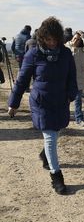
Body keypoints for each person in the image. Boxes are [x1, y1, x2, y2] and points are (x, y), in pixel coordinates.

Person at [8, 16, 78, 195]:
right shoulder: (33, 54)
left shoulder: (66, 53)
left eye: (55, 39)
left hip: (60, 100)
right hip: (42, 101)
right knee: (50, 136)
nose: (52, 43)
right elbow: (22, 80)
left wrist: (71, 94)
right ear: (42, 38)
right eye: (48, 39)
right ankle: (57, 177)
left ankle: (45, 155)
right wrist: (14, 103)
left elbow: (72, 76)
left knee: (57, 131)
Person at [65, 30, 84, 126]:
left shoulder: (82, 51)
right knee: (66, 99)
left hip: (78, 79)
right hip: (67, 79)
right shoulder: (66, 47)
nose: (76, 40)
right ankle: (64, 117)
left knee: (78, 100)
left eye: (78, 39)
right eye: (75, 38)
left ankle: (79, 119)